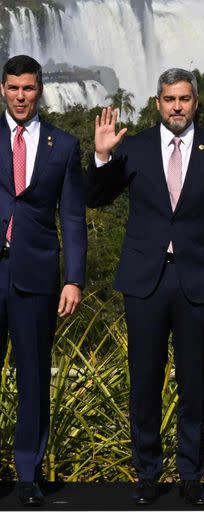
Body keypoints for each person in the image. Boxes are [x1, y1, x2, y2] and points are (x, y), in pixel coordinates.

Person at [86, 68, 204, 506]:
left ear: (196, 102)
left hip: (198, 281)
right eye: (168, 99)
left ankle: (191, 475)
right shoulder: (133, 148)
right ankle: (147, 474)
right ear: (157, 103)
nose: (176, 106)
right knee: (144, 382)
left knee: (195, 382)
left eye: (184, 98)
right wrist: (101, 158)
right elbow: (96, 198)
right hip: (145, 282)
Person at [0, 55, 86, 506]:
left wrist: (73, 279)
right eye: (13, 88)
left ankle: (28, 474)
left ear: (39, 90)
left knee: (33, 377)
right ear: (2, 88)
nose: (21, 96)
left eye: (29, 88)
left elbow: (72, 217)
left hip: (37, 275)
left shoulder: (64, 145)